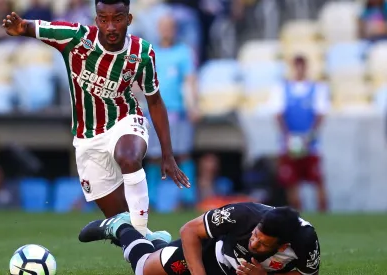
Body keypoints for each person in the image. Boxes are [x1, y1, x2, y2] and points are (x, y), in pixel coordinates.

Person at [1, 0, 190, 240]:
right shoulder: (74, 38)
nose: (110, 26)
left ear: (129, 20)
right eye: (104, 19)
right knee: (121, 227)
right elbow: (29, 27)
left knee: (129, 158)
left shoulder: (142, 53)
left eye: (118, 19)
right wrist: (18, 28)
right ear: (96, 19)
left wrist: (167, 154)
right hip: (88, 138)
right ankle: (152, 243)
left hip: (125, 119)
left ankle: (143, 235)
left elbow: (154, 101)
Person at [79, 202, 321, 275]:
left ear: (284, 245)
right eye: (256, 235)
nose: (254, 243)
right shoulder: (242, 215)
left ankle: (158, 242)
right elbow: (189, 230)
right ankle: (121, 227)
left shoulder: (305, 242)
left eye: (263, 244)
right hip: (212, 253)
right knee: (144, 270)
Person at [145, 14, 199, 209]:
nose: (167, 31)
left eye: (170, 27)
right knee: (153, 156)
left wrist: (193, 105)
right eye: (164, 27)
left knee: (182, 153)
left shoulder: (184, 52)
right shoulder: (150, 51)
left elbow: (190, 79)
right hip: (152, 110)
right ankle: (151, 199)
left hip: (177, 111)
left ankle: (187, 197)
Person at [270, 55, 329, 212]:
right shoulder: (282, 89)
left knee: (317, 179)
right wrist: (288, 136)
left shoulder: (317, 88)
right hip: (289, 143)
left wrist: (310, 135)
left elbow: (320, 114)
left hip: (310, 143)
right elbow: (278, 114)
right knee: (292, 181)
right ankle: (297, 213)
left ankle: (323, 211)